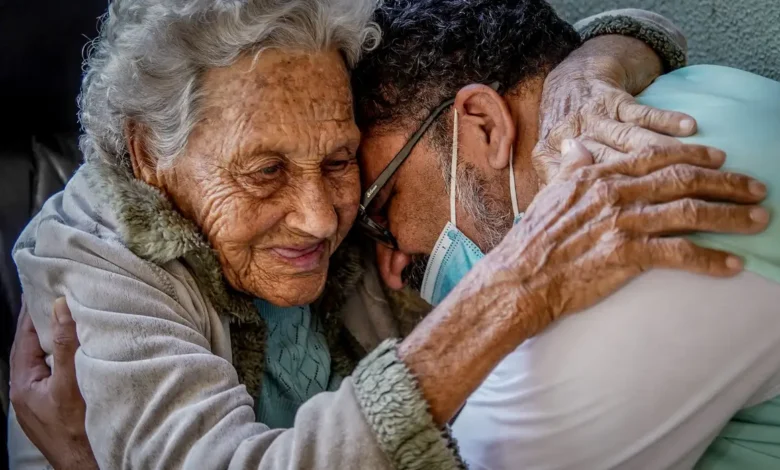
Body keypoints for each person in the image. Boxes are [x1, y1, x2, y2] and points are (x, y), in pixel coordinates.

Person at [6, 1, 768, 470]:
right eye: (265, 172)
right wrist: (513, 291)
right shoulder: (96, 265)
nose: (321, 217)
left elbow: (499, 70)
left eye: (342, 163)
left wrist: (599, 57)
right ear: (148, 154)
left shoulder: (346, 192)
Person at [347, 0, 780, 468]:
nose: (391, 269)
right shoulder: (702, 90)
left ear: (485, 125)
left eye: (385, 205)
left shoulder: (632, 239)